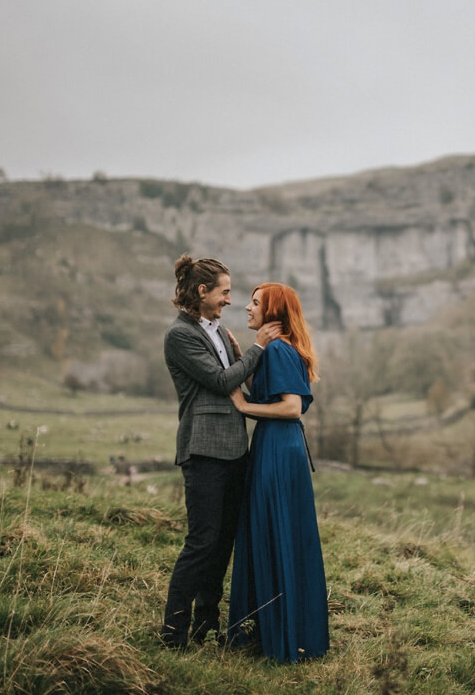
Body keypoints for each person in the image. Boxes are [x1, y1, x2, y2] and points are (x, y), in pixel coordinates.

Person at [160, 256, 281, 650]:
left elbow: (238, 378)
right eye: (225, 291)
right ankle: (173, 634)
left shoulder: (220, 332)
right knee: (202, 542)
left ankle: (205, 626)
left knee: (223, 542)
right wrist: (258, 346)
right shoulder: (180, 336)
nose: (230, 300)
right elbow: (220, 381)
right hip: (204, 451)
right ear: (202, 292)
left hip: (234, 451)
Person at [227, 282, 329, 663]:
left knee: (277, 530)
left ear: (272, 312)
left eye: (255, 303)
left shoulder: (282, 350)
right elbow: (272, 393)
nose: (247, 309)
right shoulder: (275, 351)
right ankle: (275, 628)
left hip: (278, 446)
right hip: (273, 445)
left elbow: (290, 408)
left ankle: (282, 635)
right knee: (273, 530)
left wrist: (242, 405)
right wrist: (247, 361)